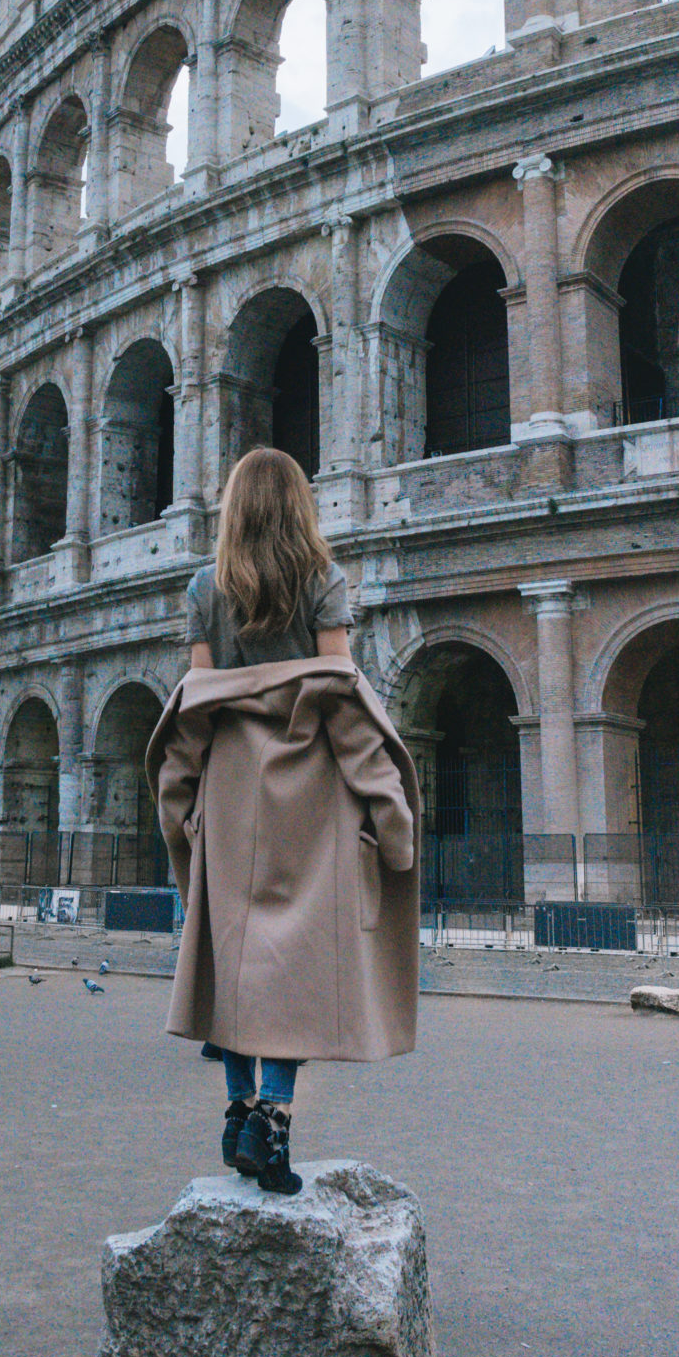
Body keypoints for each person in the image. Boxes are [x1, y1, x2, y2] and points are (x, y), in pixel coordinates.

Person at [145, 447, 420, 1196]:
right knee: (291, 963)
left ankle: (237, 1110)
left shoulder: (204, 587)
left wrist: (181, 809)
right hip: (308, 788)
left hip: (230, 786)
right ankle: (273, 1119)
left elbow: (196, 708)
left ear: (233, 507)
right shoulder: (322, 581)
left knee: (231, 958)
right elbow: (340, 695)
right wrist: (388, 810)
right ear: (300, 506)